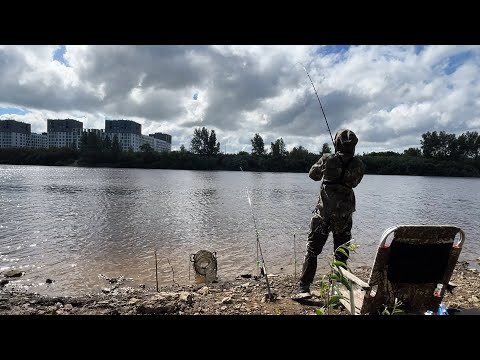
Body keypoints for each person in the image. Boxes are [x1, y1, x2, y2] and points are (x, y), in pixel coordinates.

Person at [297, 129, 365, 295]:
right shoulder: (359, 164)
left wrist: (330, 163)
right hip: (344, 214)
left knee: (312, 250)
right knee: (341, 253)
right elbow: (355, 183)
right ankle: (337, 290)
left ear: (336, 143)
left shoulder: (327, 159)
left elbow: (313, 175)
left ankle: (304, 288)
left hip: (323, 213)